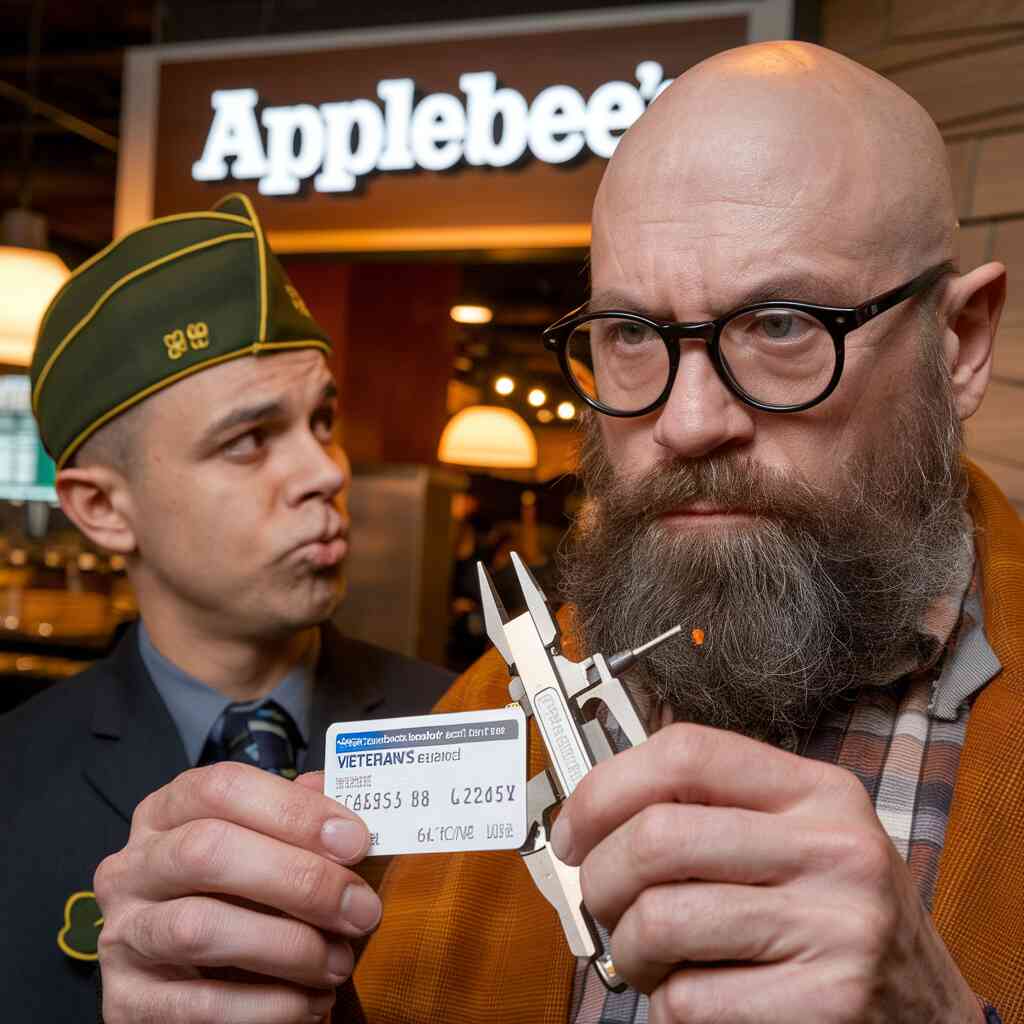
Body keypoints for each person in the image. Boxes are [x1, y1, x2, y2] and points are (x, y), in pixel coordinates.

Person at [90, 40, 1023, 1024]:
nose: (689, 420)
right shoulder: (484, 710)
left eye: (781, 324)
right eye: (630, 334)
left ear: (958, 343)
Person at [0, 193, 453, 1022]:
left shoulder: (472, 726)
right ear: (103, 508)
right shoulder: (12, 787)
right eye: (248, 440)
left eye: (322, 421)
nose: (324, 471)